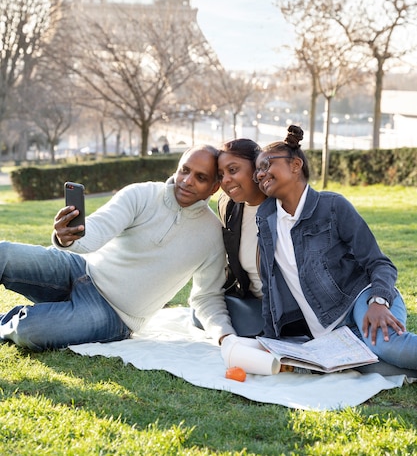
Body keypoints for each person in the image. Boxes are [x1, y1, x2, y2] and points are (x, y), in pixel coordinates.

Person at [0, 145, 236, 351]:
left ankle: (17, 320)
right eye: (184, 170)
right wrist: (68, 238)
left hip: (112, 314)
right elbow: (96, 231)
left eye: (200, 177)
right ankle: (51, 312)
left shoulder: (213, 235)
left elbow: (207, 296)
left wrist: (224, 335)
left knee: (28, 331)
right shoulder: (141, 194)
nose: (187, 180)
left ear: (214, 187)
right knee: (4, 254)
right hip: (80, 269)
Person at [253, 124, 417, 371]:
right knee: (382, 367)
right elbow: (270, 287)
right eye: (257, 171)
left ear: (295, 165)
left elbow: (379, 262)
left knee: (386, 346)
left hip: (365, 299)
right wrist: (272, 340)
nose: (260, 174)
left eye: (266, 165)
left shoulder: (332, 206)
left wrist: (378, 302)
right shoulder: (266, 219)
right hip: (330, 331)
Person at [217, 138, 266, 336]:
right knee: (201, 312)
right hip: (253, 303)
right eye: (220, 175)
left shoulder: (284, 207)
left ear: (257, 167)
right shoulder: (229, 207)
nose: (226, 180)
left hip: (291, 310)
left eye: (233, 170)